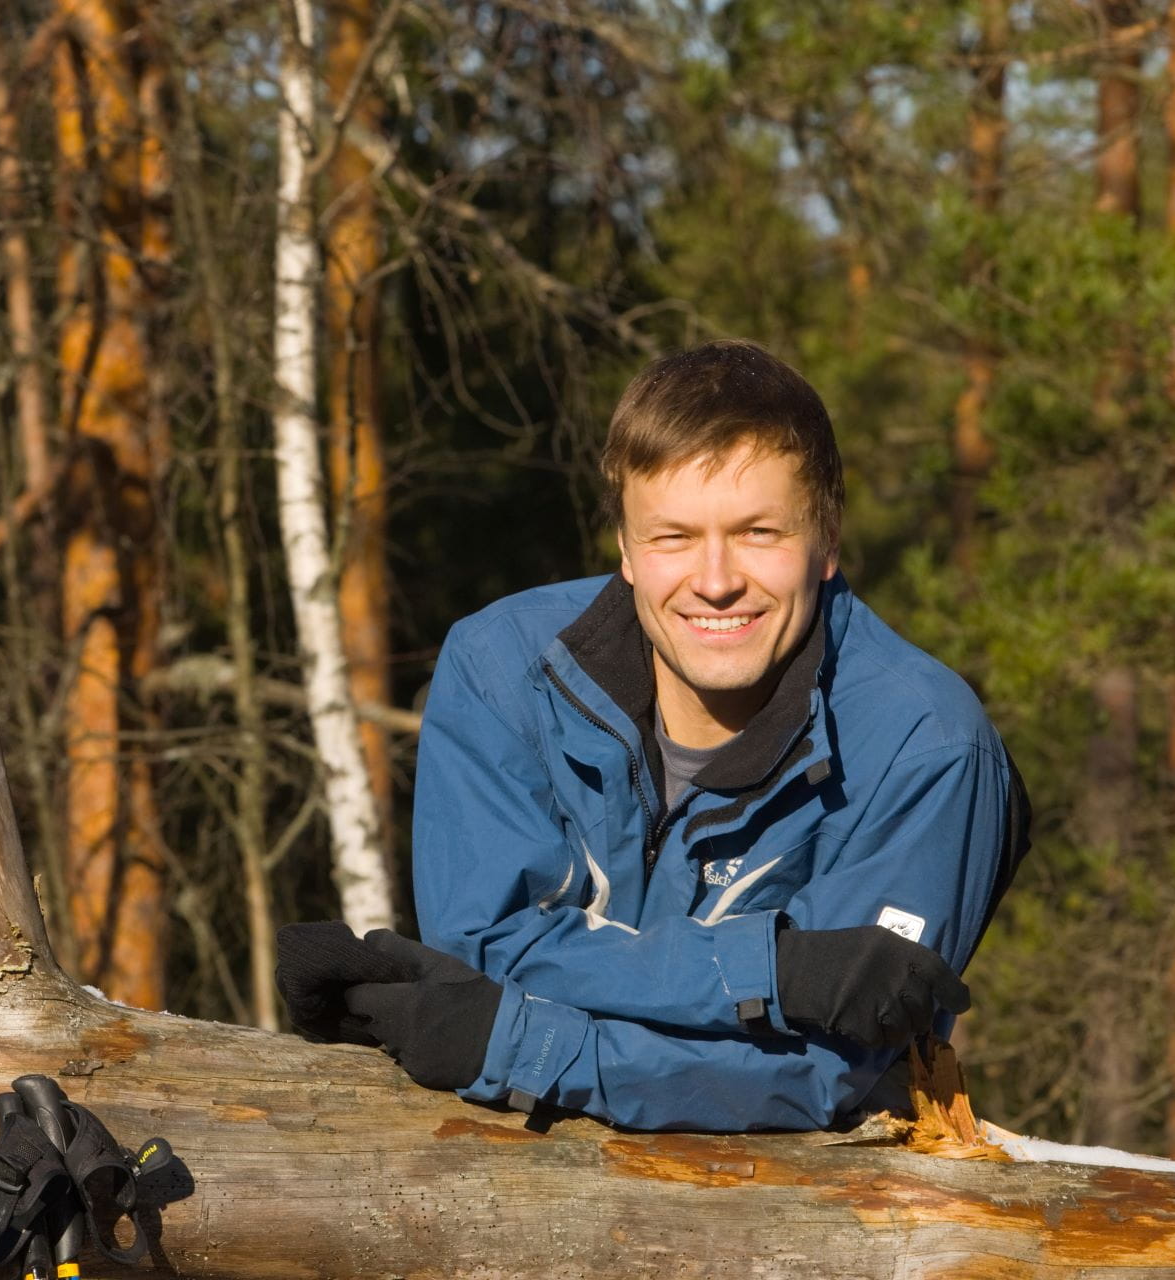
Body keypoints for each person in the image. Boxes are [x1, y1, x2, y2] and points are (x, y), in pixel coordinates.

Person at [276, 339, 1028, 1132]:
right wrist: (775, 973)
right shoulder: (500, 672)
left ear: (828, 543)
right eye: (673, 537)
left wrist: (523, 1045)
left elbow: (823, 1073)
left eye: (759, 532)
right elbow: (486, 949)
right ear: (626, 550)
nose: (716, 581)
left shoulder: (929, 749)